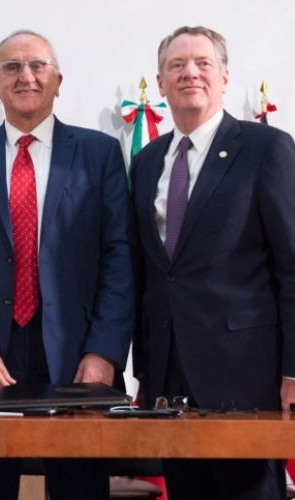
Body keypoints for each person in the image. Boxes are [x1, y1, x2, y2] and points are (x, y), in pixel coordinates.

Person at [0, 29, 134, 500]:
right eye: (12, 68)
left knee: (79, 488)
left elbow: (119, 256)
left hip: (78, 356)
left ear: (58, 80)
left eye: (37, 66)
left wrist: (104, 352)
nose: (26, 77)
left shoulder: (98, 153)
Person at [130, 25, 295, 500]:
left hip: (246, 377)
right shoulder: (146, 162)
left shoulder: (266, 148)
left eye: (203, 63)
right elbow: (153, 271)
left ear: (224, 77)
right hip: (167, 378)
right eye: (176, 65)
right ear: (159, 84)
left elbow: (291, 266)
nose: (190, 73)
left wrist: (294, 370)